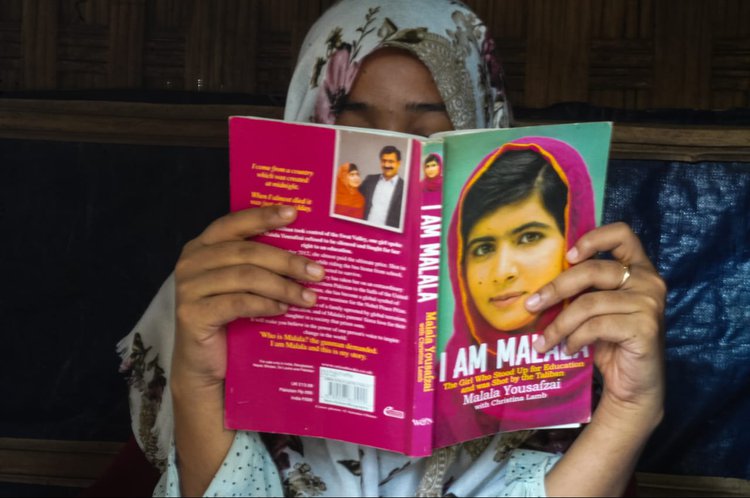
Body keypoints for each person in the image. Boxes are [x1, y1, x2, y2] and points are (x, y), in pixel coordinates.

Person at [118, 1, 666, 496]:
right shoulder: (218, 298)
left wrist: (629, 412)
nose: (395, 158)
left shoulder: (565, 336)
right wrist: (198, 380)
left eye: (427, 133)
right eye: (353, 128)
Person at [436, 137, 597, 447]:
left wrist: (630, 409)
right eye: (483, 248)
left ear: (573, 235)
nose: (502, 272)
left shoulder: (608, 367)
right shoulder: (426, 391)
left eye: (529, 237)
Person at [359, 145, 404, 228]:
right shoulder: (370, 180)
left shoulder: (405, 188)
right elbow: (355, 198)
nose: (386, 165)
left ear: (398, 163)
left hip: (387, 236)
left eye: (391, 161)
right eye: (384, 161)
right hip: (364, 230)